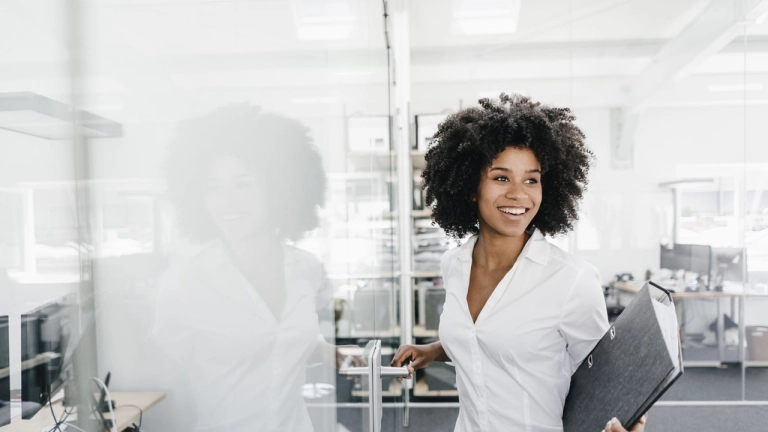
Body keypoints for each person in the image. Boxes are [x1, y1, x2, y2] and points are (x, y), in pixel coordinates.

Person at [391, 94, 647, 432]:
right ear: (470, 187)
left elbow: (606, 378)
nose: (518, 194)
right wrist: (436, 350)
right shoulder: (453, 264)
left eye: (531, 179)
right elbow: (488, 338)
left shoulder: (571, 280)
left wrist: (627, 423)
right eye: (501, 178)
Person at [152, 104, 343, 431]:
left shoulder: (306, 268)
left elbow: (279, 343)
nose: (227, 201)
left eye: (243, 184)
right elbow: (168, 382)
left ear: (277, 188)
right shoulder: (184, 283)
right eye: (213, 187)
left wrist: (326, 351)